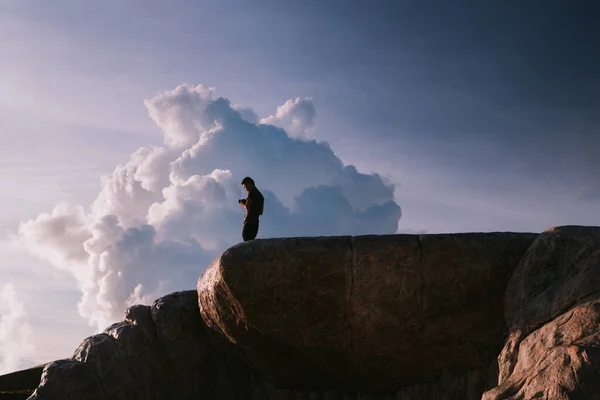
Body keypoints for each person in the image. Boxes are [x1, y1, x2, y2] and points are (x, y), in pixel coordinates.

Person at [239, 176, 264, 241]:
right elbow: (261, 212)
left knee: (246, 239)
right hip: (255, 223)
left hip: (249, 222)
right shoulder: (261, 196)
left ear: (249, 184)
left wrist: (242, 204)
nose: (245, 189)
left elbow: (247, 207)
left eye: (245, 186)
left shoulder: (251, 193)